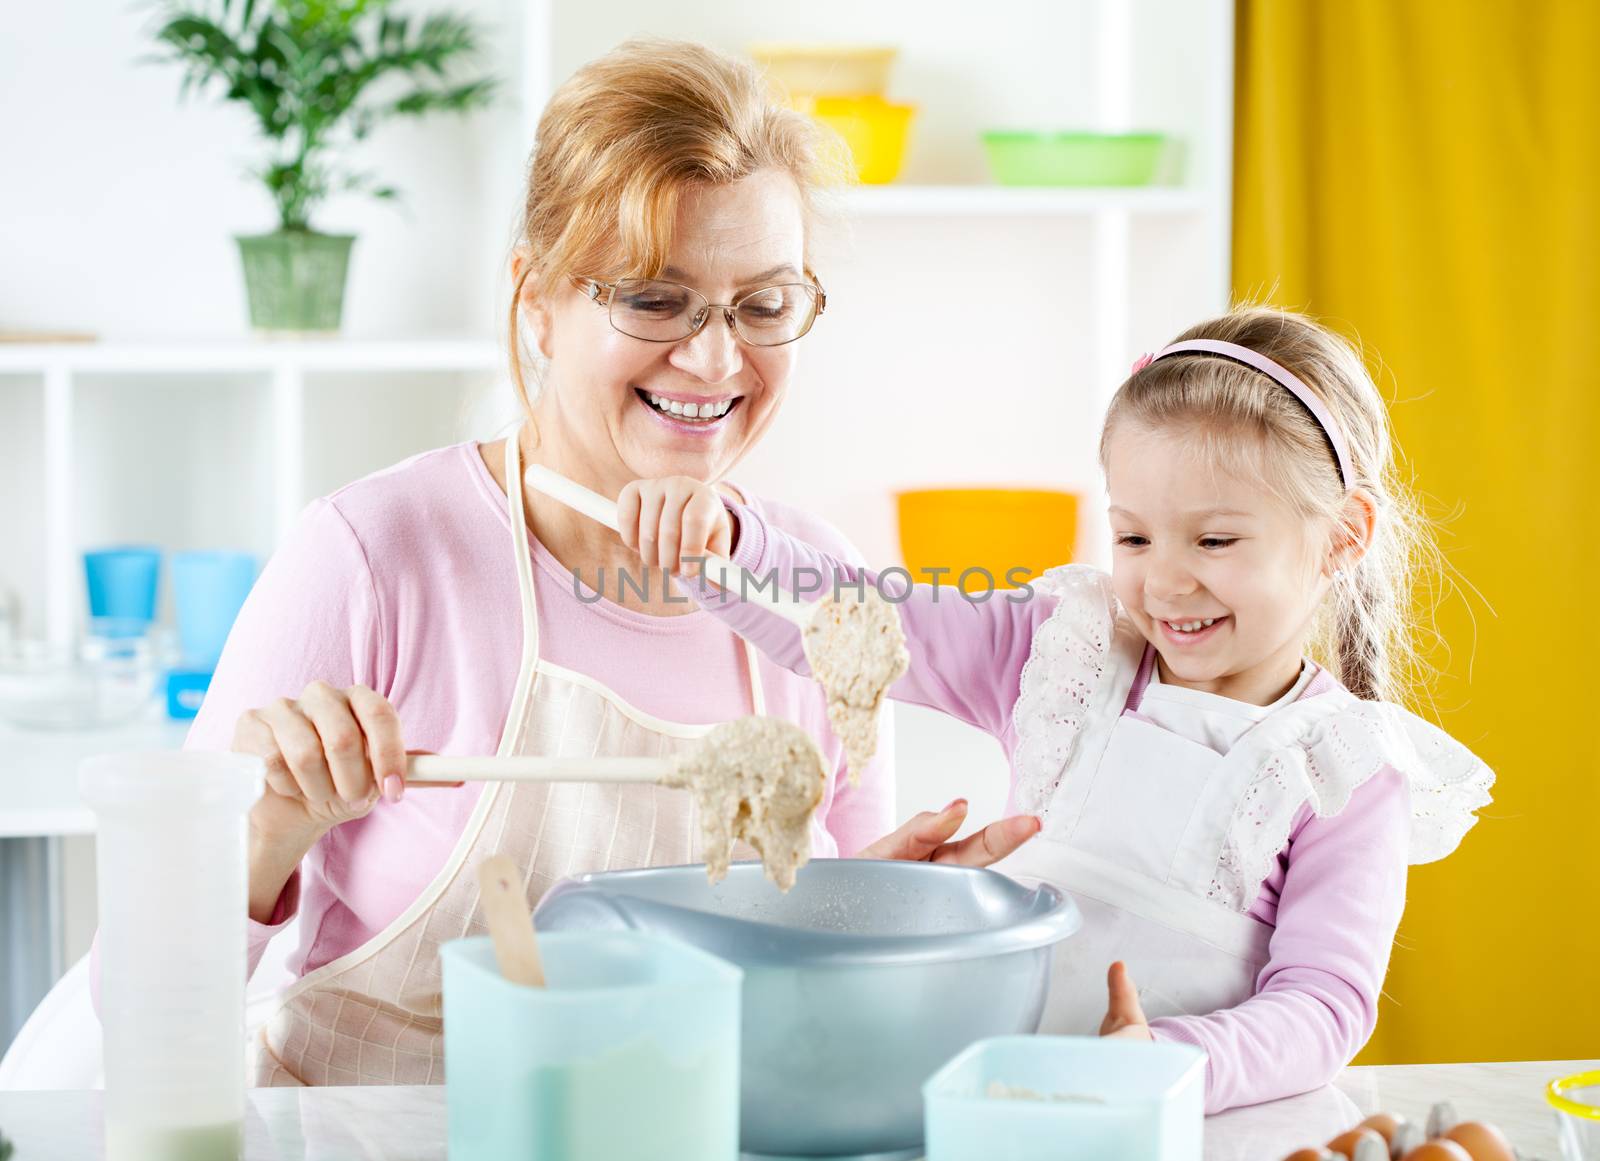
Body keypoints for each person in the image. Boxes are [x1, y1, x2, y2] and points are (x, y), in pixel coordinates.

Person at [125, 40, 1038, 1086]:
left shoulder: (816, 589)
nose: (713, 359)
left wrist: (880, 919)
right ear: (539, 301)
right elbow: (133, 1010)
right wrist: (265, 835)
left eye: (764, 303)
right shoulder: (375, 556)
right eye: (654, 298)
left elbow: (814, 1021)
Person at [618, 306, 1496, 1112]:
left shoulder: (1344, 767)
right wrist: (727, 544)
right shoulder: (1065, 650)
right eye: (1133, 535)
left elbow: (1323, 1003)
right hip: (994, 1107)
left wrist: (1162, 1061)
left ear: (1343, 537)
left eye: (1216, 540)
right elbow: (861, 621)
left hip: (1167, 1127)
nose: (1165, 578)